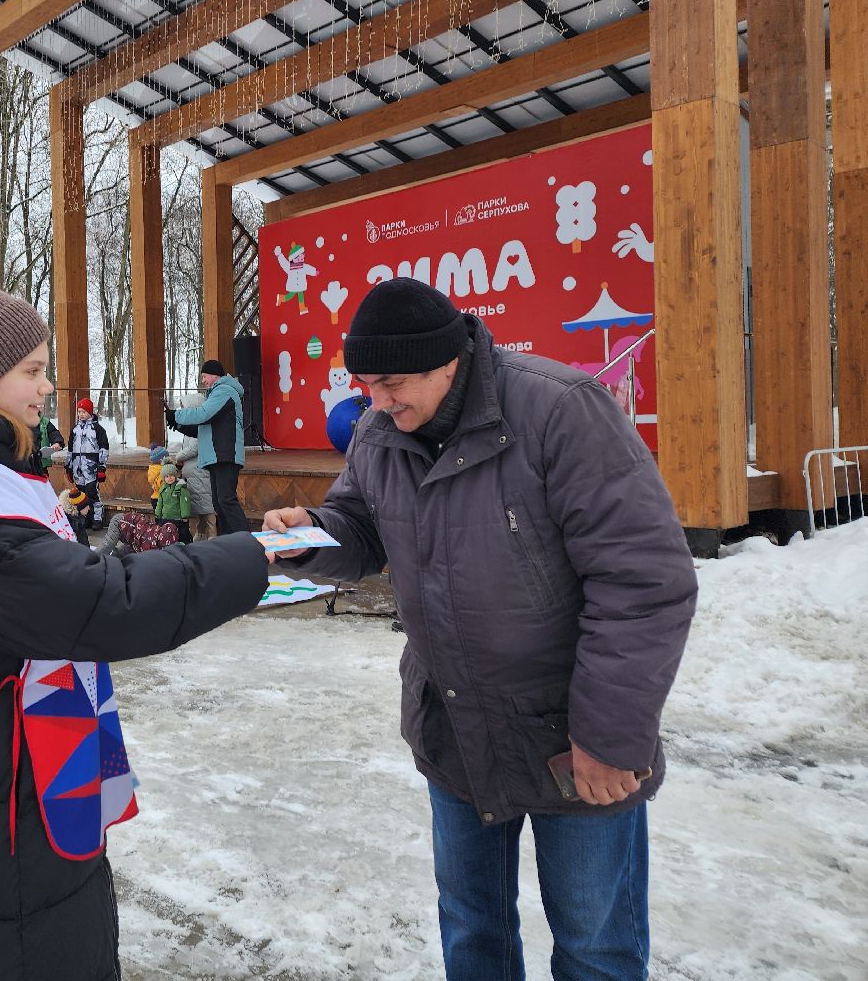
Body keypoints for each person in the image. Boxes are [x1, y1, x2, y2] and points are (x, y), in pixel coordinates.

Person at [263, 278, 697, 981]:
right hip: (456, 728)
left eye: (393, 382)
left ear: (447, 361)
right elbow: (361, 525)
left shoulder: (559, 412)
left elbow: (645, 581)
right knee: (473, 933)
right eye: (366, 384)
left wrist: (610, 738)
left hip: (573, 737)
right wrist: (310, 534)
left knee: (595, 948)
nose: (377, 401)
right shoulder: (380, 430)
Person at [0, 275, 268, 981]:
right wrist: (253, 559)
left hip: (5, 801)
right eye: (32, 372)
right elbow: (98, 606)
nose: (47, 390)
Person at [167, 359, 248, 534]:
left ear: (214, 375)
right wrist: (179, 424)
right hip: (217, 455)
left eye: (205, 376)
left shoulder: (224, 391)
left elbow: (203, 414)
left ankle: (245, 540)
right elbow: (203, 429)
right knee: (219, 502)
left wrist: (177, 415)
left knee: (226, 500)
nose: (203, 380)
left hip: (225, 453)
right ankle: (230, 541)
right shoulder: (216, 395)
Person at [169, 393, 216, 539]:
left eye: (184, 407)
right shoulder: (190, 427)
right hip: (193, 473)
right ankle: (200, 532)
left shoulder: (200, 426)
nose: (182, 411)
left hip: (200, 471)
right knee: (199, 507)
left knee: (207, 508)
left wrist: (178, 456)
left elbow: (194, 447)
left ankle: (212, 535)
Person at [66, 396, 110, 528]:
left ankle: (97, 517)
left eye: (83, 412)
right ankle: (84, 517)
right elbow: (70, 449)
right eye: (79, 412)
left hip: (91, 467)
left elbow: (104, 448)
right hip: (77, 466)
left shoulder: (98, 429)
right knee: (80, 493)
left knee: (92, 492)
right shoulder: (75, 430)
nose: (81, 414)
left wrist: (102, 467)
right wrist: (68, 466)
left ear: (90, 412)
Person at [37, 410, 64, 478]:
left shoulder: (44, 421)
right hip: (24, 466)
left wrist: (57, 442)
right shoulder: (19, 421)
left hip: (41, 463)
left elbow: (53, 433)